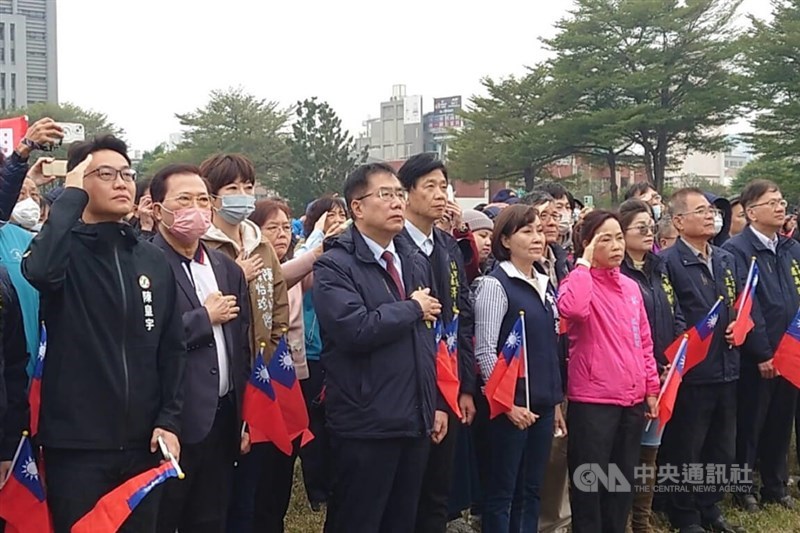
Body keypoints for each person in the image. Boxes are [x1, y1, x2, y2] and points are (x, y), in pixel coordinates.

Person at [22, 135, 185, 533]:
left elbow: (172, 348)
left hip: (144, 445)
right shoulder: (63, 252)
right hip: (78, 447)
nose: (122, 183)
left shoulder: (152, 259)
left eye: (127, 174)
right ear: (79, 182)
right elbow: (40, 272)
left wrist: (170, 420)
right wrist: (68, 199)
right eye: (106, 174)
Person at [313, 162, 446, 533]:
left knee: (401, 520)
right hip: (366, 422)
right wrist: (412, 308)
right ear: (357, 207)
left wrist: (432, 402)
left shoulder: (412, 260)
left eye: (399, 195)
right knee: (359, 520)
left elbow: (426, 340)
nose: (396, 203)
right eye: (385, 195)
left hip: (413, 417)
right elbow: (354, 329)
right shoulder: (336, 264)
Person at [149, 164, 251, 532]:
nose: (196, 208)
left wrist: (242, 415)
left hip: (223, 415)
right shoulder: (145, 263)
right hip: (173, 419)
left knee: (211, 516)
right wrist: (202, 318)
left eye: (203, 200)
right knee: (166, 515)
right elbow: (144, 338)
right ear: (158, 208)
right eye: (184, 200)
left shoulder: (226, 268)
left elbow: (242, 343)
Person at [557, 210, 659, 533]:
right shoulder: (577, 281)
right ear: (587, 244)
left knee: (621, 482)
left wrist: (651, 389)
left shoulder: (630, 288)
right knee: (590, 482)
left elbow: (644, 341)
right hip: (594, 401)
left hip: (631, 400)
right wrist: (584, 265)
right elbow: (572, 308)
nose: (616, 246)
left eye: (619, 237)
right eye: (606, 239)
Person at [397, 153, 476, 533]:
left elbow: (462, 317)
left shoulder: (447, 246)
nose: (440, 195)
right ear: (406, 193)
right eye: (429, 186)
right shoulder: (393, 246)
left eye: (443, 186)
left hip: (447, 379)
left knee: (438, 489)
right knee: (405, 491)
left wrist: (464, 386)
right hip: (406, 385)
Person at [473, 205, 565, 532]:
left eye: (539, 231)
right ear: (506, 240)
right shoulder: (494, 285)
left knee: (531, 488)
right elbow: (485, 350)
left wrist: (554, 402)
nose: (537, 238)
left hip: (541, 400)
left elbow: (549, 348)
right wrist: (506, 404)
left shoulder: (544, 284)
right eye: (527, 232)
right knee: (503, 491)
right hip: (510, 406)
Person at [660, 188, 743, 533]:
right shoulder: (668, 262)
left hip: (728, 365)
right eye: (701, 211)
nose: (710, 215)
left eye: (711, 210)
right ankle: (684, 514)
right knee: (686, 446)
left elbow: (737, 301)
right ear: (679, 222)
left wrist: (740, 322)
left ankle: (710, 508)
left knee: (721, 445)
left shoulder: (725, 258)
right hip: (693, 370)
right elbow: (671, 315)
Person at [723, 180, 800, 511]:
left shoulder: (790, 247)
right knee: (751, 422)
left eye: (781, 201)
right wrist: (763, 351)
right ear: (751, 212)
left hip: (792, 348)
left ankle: (775, 483)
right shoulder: (737, 251)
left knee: (782, 421)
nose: (780, 207)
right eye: (772, 202)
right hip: (761, 354)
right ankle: (743, 487)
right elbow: (745, 306)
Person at [618, 200, 685, 533]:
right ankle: (624, 521)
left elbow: (676, 311)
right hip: (632, 377)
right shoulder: (618, 273)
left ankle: (643, 520)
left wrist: (672, 357)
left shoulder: (659, 267)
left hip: (663, 371)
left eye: (651, 227)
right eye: (639, 228)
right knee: (627, 454)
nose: (648, 233)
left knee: (649, 454)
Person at [200, 153, 289, 358]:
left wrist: (269, 354)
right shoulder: (201, 246)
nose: (242, 194)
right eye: (232, 188)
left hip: (261, 367)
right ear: (212, 197)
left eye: (248, 187)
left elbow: (279, 304)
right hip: (220, 366)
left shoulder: (262, 245)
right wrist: (235, 275)